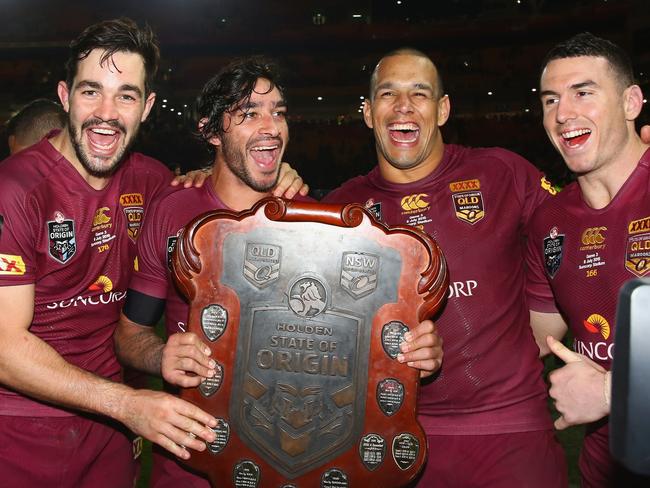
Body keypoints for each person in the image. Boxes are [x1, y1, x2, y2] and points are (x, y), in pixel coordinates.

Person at [0, 19, 305, 488]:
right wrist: (124, 403)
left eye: (125, 95)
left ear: (146, 107)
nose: (106, 112)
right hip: (22, 426)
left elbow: (216, 189)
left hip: (112, 434)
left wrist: (257, 173)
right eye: (90, 92)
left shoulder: (154, 182)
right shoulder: (15, 190)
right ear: (64, 97)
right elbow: (3, 348)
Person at [115, 56, 443, 487]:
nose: (271, 126)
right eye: (250, 114)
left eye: (279, 113)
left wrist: (417, 351)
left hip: (295, 461)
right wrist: (162, 356)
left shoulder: (315, 221)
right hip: (189, 460)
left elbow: (357, 346)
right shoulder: (172, 209)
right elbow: (129, 335)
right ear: (212, 131)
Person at [323, 48, 568, 487]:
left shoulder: (502, 172)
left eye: (420, 93)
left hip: (510, 431)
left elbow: (582, 221)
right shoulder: (338, 210)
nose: (403, 107)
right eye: (387, 94)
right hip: (393, 435)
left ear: (442, 109)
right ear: (367, 113)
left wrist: (633, 169)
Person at [526, 32, 650, 487]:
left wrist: (609, 391)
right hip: (606, 472)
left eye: (584, 93)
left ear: (632, 102)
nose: (563, 114)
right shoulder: (549, 221)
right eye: (551, 99)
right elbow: (534, 336)